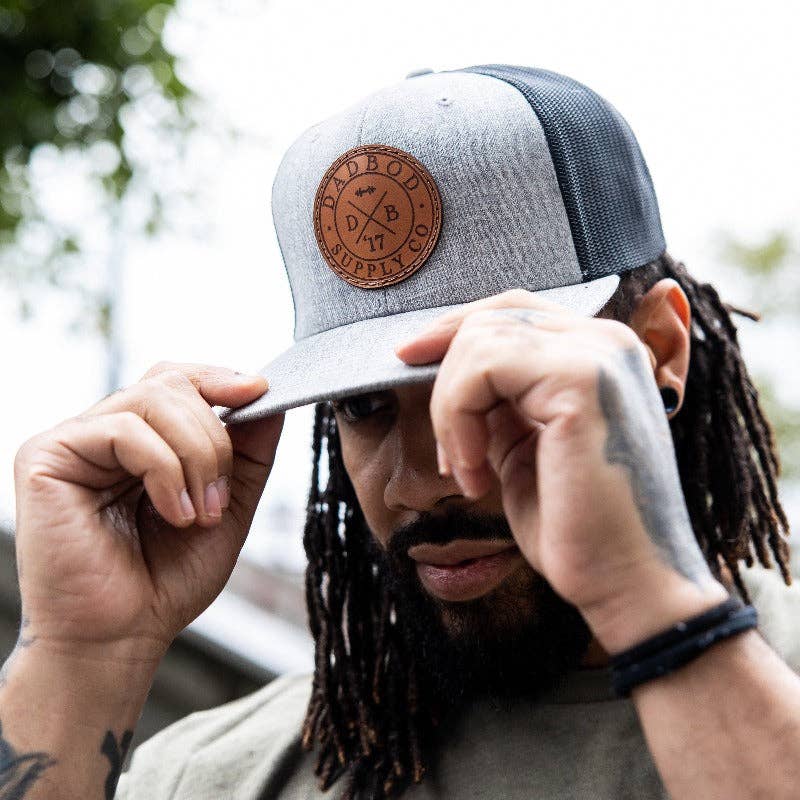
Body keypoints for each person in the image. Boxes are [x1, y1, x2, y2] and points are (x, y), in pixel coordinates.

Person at [2, 65, 799, 800]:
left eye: (493, 386)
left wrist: (652, 602)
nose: (419, 481)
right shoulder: (220, 778)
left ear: (657, 350)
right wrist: (81, 657)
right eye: (362, 406)